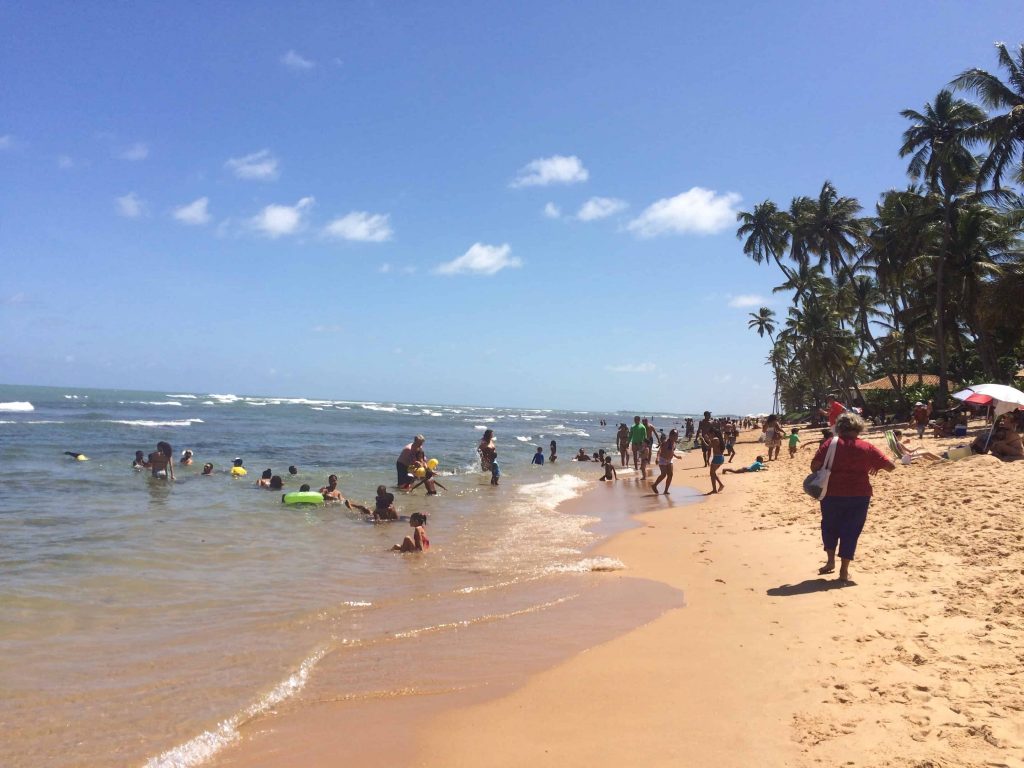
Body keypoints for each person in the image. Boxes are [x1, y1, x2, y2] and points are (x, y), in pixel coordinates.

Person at [810, 412, 895, 584]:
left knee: (829, 526)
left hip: (831, 494)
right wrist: (873, 465)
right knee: (851, 531)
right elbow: (891, 467)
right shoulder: (866, 447)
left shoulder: (830, 444)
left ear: (839, 427)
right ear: (859, 428)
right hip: (859, 495)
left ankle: (830, 561)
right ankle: (844, 571)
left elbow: (814, 467)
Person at [650, 428, 678, 494]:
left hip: (670, 460)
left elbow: (671, 452)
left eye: (676, 436)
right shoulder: (665, 443)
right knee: (663, 474)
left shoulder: (674, 444)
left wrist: (676, 456)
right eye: (674, 436)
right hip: (662, 460)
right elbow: (659, 451)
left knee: (670, 475)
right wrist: (657, 458)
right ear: (670, 436)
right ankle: (654, 485)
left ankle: (666, 490)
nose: (675, 437)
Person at [706, 428, 725, 493]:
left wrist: (703, 440)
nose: (709, 435)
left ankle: (717, 488)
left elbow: (708, 447)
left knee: (712, 473)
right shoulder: (719, 439)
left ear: (713, 433)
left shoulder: (714, 439)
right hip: (721, 457)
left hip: (717, 458)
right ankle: (719, 485)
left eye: (709, 434)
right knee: (713, 473)